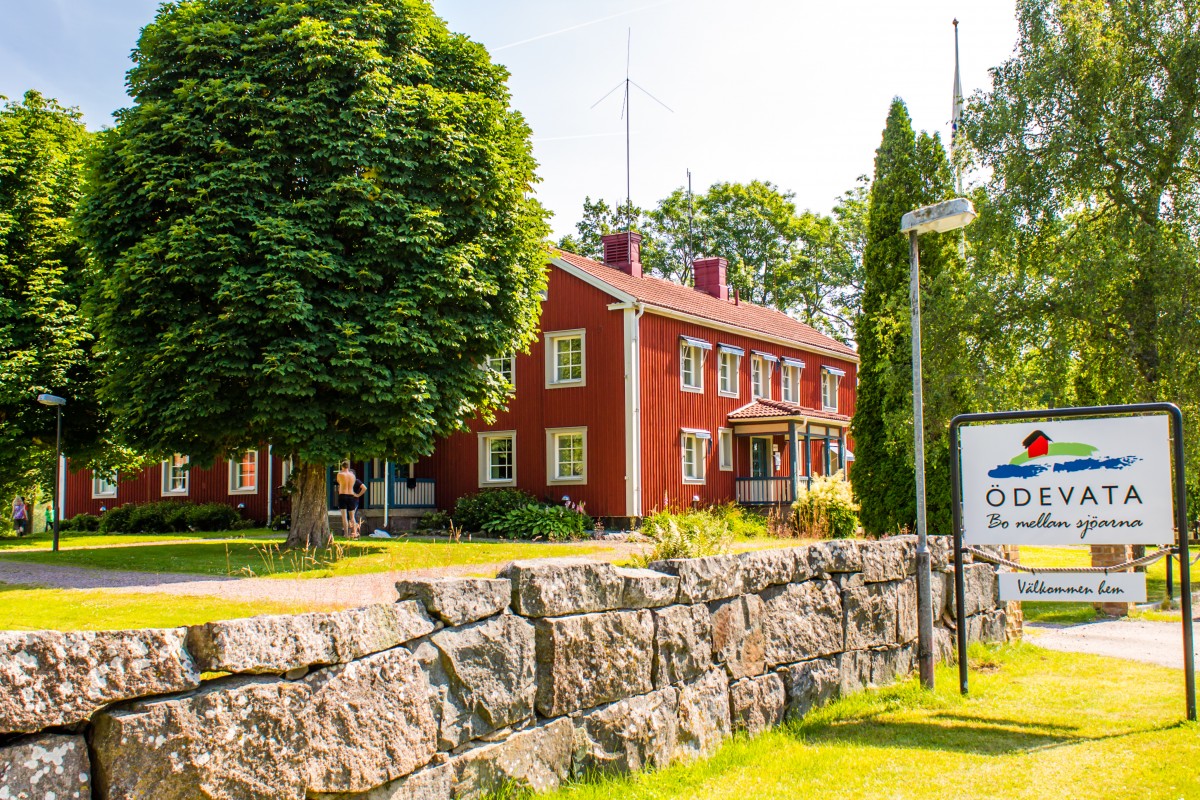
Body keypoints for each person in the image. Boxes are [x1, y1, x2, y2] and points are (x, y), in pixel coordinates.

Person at [335, 461, 360, 539]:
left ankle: (346, 534)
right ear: (348, 467)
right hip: (351, 496)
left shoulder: (340, 474)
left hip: (343, 495)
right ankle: (355, 533)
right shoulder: (352, 476)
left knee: (344, 516)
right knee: (352, 517)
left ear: (342, 467)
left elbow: (339, 482)